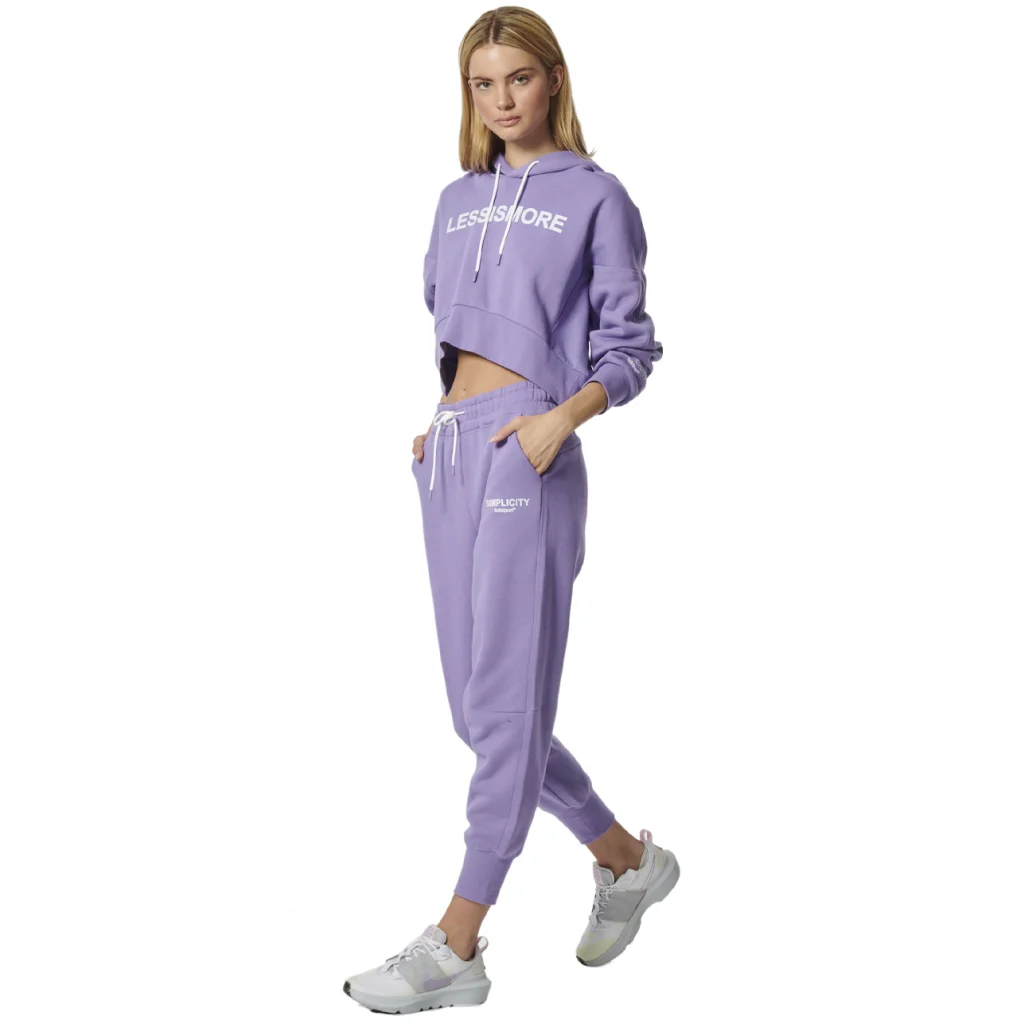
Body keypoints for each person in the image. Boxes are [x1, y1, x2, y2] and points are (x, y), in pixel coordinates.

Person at [344, 7, 677, 1013]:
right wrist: (438, 424)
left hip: (529, 451)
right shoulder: (455, 201)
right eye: (483, 84)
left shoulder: (597, 197)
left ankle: (457, 942)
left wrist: (556, 420)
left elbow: (630, 348)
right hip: (450, 452)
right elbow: (452, 331)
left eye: (518, 79)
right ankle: (625, 861)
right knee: (480, 716)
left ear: (553, 80)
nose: (501, 100)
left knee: (501, 715)